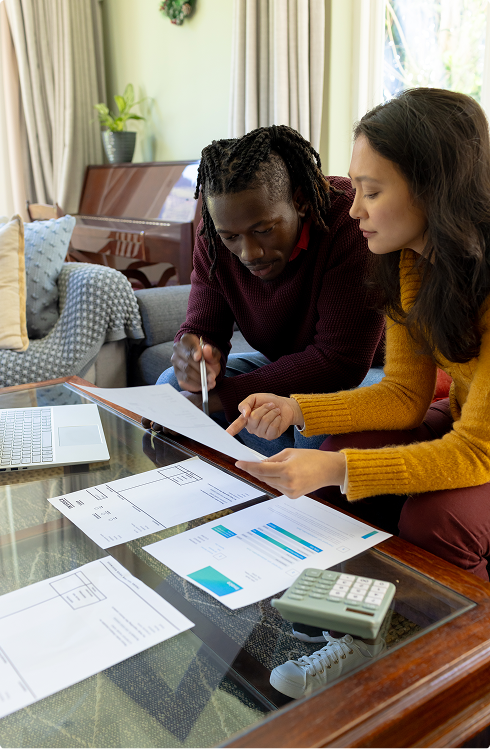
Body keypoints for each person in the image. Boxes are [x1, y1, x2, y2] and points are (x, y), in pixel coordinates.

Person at [227, 88, 490, 697]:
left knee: (437, 515)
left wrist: (339, 466)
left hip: (481, 445)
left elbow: (476, 452)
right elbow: (402, 394)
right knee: (340, 443)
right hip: (462, 426)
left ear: (432, 191)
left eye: (372, 193)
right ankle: (348, 619)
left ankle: (445, 656)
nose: (354, 211)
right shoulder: (412, 260)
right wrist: (297, 410)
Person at [149, 125, 385, 456]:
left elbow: (341, 362)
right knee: (169, 390)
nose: (249, 253)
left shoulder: (347, 222)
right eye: (231, 237)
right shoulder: (215, 236)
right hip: (291, 362)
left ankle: (277, 463)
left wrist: (223, 398)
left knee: (317, 432)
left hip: (368, 367)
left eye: (263, 230)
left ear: (300, 201)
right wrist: (195, 355)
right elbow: (203, 328)